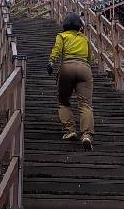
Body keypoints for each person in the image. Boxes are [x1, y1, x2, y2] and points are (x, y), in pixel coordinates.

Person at [46, 12, 94, 150]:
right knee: (86, 104)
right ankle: (86, 135)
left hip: (67, 67)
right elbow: (89, 58)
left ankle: (70, 130)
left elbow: (57, 50)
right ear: (79, 26)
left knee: (63, 101)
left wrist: (51, 62)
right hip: (85, 69)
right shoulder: (85, 39)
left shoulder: (62, 36)